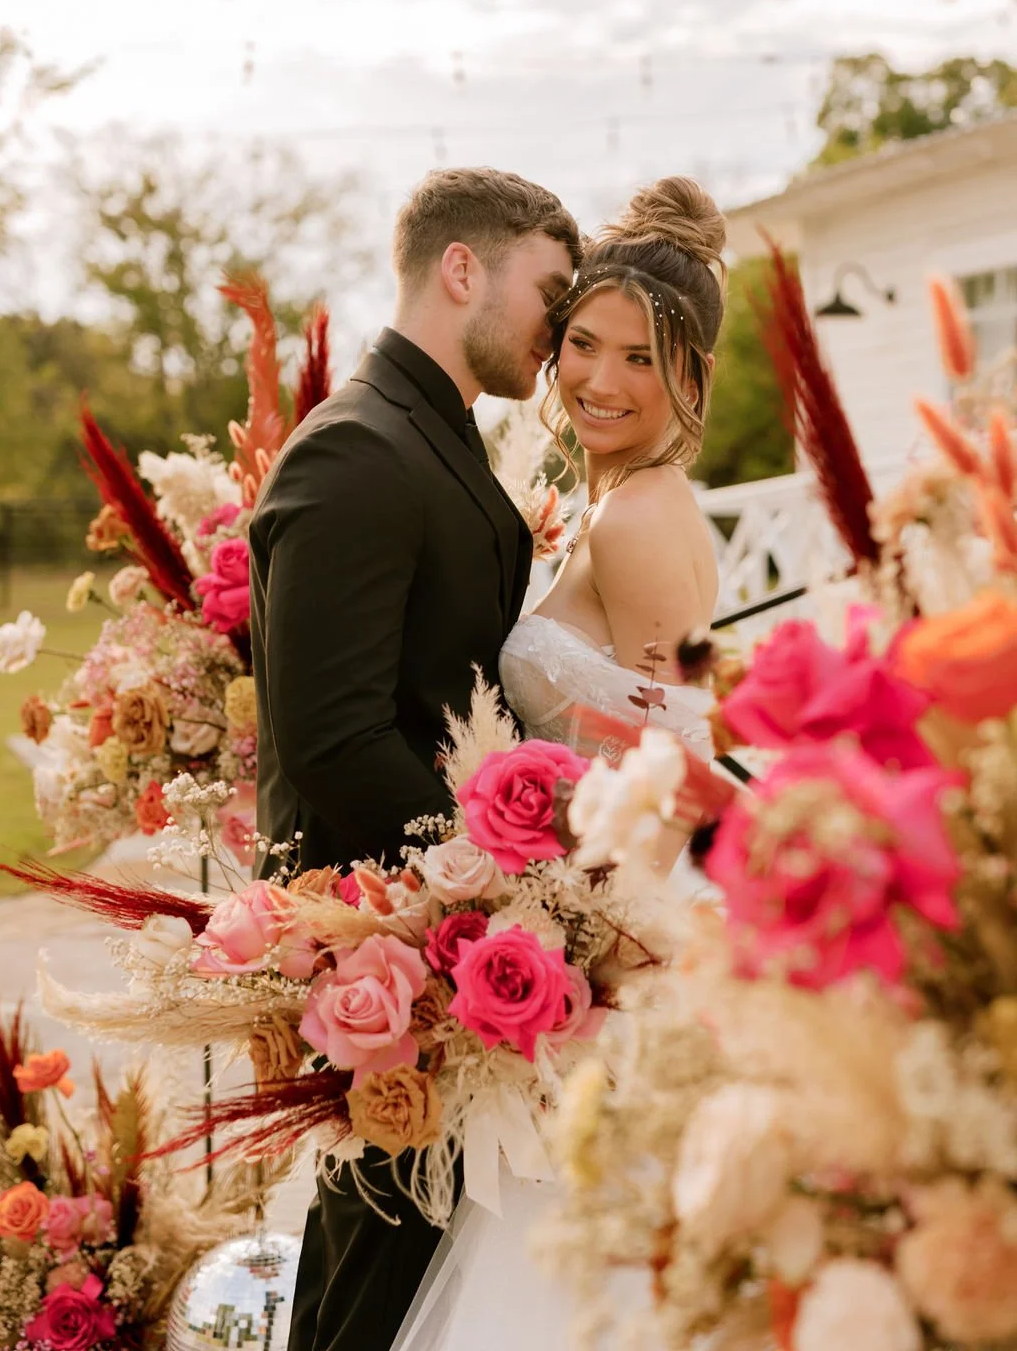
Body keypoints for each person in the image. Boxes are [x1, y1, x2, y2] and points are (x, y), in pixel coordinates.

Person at [391, 174, 726, 1351]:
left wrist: (585, 923)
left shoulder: (638, 521)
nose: (598, 379)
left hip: (630, 930)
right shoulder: (613, 501)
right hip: (596, 906)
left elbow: (685, 762)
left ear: (689, 379)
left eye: (641, 359)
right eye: (582, 342)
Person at [249, 167, 581, 1351]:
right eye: (549, 291)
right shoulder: (352, 450)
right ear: (461, 270)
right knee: (373, 1270)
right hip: (381, 942)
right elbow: (333, 738)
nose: (558, 331)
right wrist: (501, 885)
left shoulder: (425, 437)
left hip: (438, 941)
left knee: (400, 1261)